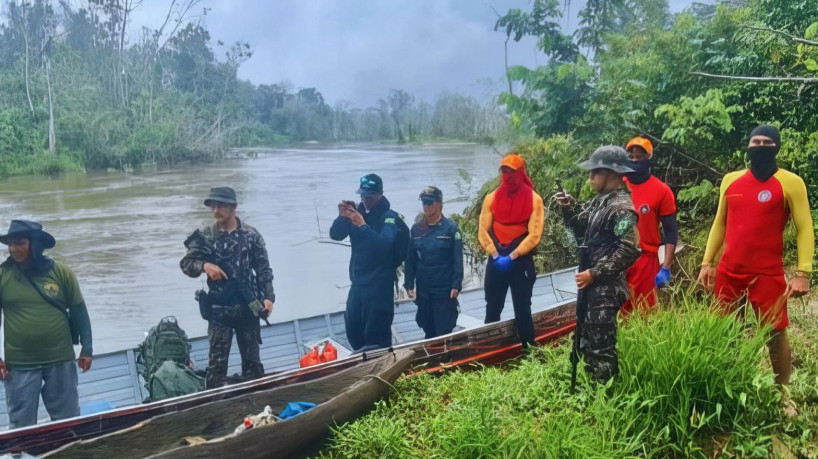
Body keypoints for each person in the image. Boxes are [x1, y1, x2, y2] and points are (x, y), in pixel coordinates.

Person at [698, 125, 813, 386]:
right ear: (748, 146)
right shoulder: (731, 180)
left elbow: (805, 227)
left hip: (767, 272)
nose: (760, 146)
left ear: (777, 147)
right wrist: (708, 263)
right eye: (755, 142)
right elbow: (720, 223)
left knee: (775, 333)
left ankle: (782, 393)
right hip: (729, 270)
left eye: (766, 142)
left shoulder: (791, 182)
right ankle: (729, 384)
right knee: (725, 330)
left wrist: (803, 273)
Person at [556, 146, 640, 382]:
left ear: (614, 174)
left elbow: (630, 248)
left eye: (596, 172)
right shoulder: (601, 202)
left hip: (605, 289)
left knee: (601, 350)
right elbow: (581, 231)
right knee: (586, 342)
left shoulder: (621, 208)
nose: (591, 178)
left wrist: (595, 273)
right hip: (592, 287)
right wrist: (567, 209)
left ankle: (605, 396)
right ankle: (591, 392)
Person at [0, 219, 93, 428]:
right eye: (10, 243)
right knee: (21, 425)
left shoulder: (61, 273)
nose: (13, 249)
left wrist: (87, 348)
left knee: (67, 421)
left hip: (60, 359)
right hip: (20, 364)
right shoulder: (3, 275)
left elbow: (79, 310)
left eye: (20, 243)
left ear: (35, 244)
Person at [180, 187, 275, 389]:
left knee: (253, 367)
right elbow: (186, 264)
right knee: (216, 370)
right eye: (213, 206)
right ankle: (216, 404)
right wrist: (205, 266)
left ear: (234, 207)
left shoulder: (251, 235)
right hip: (219, 311)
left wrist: (269, 297)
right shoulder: (205, 236)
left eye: (221, 205)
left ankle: (257, 401)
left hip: (248, 307)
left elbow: (263, 270)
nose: (216, 210)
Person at [330, 174, 409, 351]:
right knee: (353, 329)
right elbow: (335, 234)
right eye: (363, 195)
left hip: (379, 286)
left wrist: (363, 226)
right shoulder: (357, 215)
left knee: (376, 335)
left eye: (370, 196)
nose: (365, 200)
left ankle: (384, 363)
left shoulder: (390, 218)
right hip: (358, 284)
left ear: (380, 194)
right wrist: (342, 217)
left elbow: (384, 245)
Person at [478, 154, 544, 348]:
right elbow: (482, 230)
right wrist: (495, 253)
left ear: (521, 172)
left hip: (520, 260)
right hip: (497, 257)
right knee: (492, 306)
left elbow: (534, 235)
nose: (508, 175)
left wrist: (513, 255)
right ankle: (489, 350)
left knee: (522, 308)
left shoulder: (534, 200)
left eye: (512, 171)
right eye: (504, 171)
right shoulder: (491, 198)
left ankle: (529, 351)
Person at [621, 136, 679, 314]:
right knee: (618, 315)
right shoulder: (616, 186)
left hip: (645, 260)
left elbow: (670, 231)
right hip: (618, 260)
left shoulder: (661, 190)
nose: (634, 159)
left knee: (644, 314)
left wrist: (666, 267)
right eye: (631, 156)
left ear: (649, 158)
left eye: (639, 156)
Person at [404, 186, 464, 339]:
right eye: (424, 202)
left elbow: (457, 260)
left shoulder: (451, 229)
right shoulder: (416, 229)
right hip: (424, 289)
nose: (426, 206)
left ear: (439, 204)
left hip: (443, 290)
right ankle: (430, 352)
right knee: (426, 325)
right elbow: (411, 259)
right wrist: (409, 282)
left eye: (430, 202)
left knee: (443, 329)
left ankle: (444, 353)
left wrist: (456, 285)